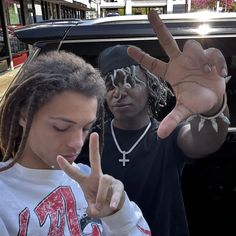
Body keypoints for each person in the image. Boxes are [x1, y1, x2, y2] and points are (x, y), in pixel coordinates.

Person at [78, 10, 230, 236]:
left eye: (130, 82)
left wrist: (213, 107)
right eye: (111, 86)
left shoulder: (167, 134)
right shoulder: (89, 139)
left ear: (150, 86)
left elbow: (205, 141)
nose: (120, 93)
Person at [0, 50, 151, 235]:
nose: (77, 143)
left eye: (87, 128)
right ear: (24, 115)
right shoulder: (5, 194)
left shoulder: (91, 181)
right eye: (61, 127)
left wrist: (118, 215)